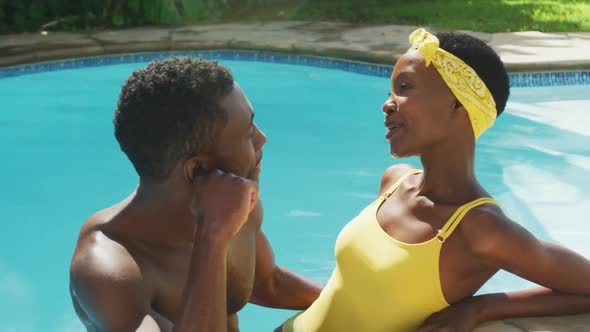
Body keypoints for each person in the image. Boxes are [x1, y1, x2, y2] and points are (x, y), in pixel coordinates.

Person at [278, 29, 590, 332]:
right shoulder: (395, 182)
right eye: (390, 91)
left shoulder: (480, 228)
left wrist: (484, 307)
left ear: (457, 103)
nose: (387, 104)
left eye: (404, 87)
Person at [69, 58, 322, 332]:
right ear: (199, 168)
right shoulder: (109, 269)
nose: (262, 138)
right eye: (248, 131)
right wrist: (212, 237)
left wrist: (350, 301)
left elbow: (266, 283)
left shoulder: (235, 206)